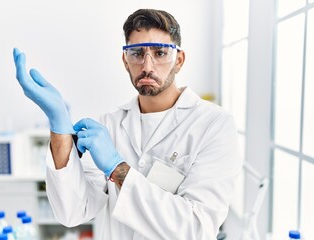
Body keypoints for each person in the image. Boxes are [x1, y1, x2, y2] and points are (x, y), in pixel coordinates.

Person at [13, 8, 241, 240]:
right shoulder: (109, 125)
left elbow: (196, 230)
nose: (147, 66)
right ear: (125, 60)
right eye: (137, 53)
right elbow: (72, 212)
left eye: (160, 53)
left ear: (179, 60)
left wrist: (115, 167)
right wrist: (59, 129)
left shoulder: (214, 125)